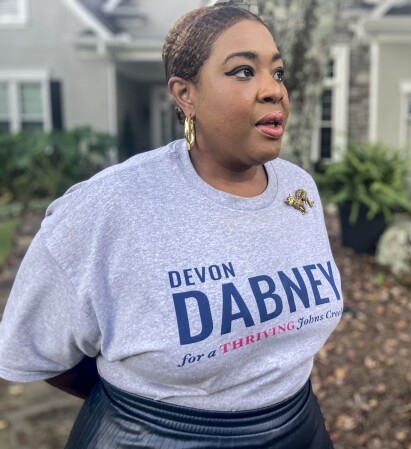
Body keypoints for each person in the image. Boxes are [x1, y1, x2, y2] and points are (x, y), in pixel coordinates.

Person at [0, 4, 343, 448]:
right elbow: (35, 351)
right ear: (185, 94)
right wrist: (145, 401)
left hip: (300, 428)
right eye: (243, 71)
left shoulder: (300, 190)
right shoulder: (109, 207)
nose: (273, 90)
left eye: (278, 73)